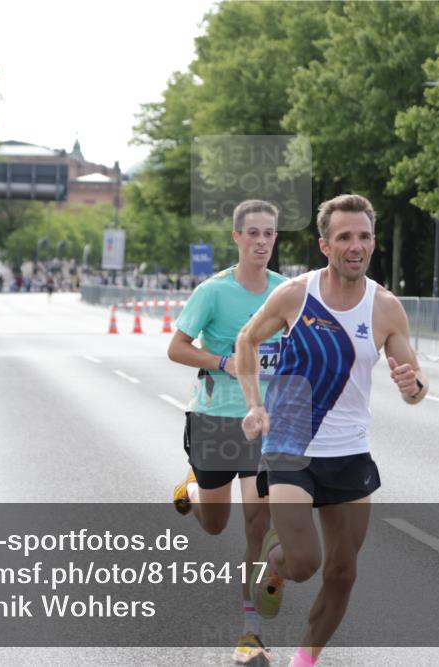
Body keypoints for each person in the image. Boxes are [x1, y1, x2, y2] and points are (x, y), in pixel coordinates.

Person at [236, 194, 428, 667]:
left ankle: (305, 660)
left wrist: (414, 386)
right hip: (290, 446)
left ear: (373, 243)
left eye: (364, 236)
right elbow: (247, 339)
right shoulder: (296, 295)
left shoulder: (385, 308)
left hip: (349, 453)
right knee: (305, 563)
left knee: (342, 574)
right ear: (325, 245)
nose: (355, 246)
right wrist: (255, 404)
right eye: (344, 237)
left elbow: (416, 386)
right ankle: (276, 564)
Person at [169, 199, 286, 666]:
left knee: (257, 523)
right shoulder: (213, 292)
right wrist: (223, 361)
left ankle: (249, 631)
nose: (261, 241)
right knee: (215, 524)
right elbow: (177, 348)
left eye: (269, 234)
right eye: (253, 233)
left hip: (264, 423)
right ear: (237, 237)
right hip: (215, 421)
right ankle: (194, 490)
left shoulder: (285, 292)